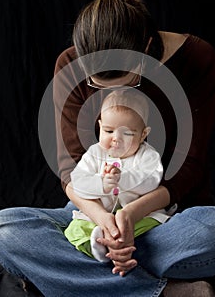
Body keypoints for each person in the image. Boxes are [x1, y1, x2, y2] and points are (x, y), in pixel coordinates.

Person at [0, 0, 215, 297]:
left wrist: (129, 216)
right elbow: (71, 169)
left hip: (164, 217)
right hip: (93, 213)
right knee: (5, 229)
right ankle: (161, 291)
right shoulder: (70, 66)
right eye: (98, 85)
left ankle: (73, 274)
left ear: (146, 47)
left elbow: (187, 167)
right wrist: (106, 222)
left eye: (128, 81)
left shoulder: (197, 59)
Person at [64, 89, 167, 263]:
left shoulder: (148, 156)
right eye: (109, 131)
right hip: (97, 216)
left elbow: (151, 180)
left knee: (155, 228)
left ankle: (115, 248)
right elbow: (78, 181)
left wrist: (122, 178)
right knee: (75, 230)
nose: (116, 139)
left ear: (143, 134)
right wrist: (101, 184)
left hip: (138, 217)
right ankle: (100, 248)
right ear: (100, 126)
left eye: (127, 133)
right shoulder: (94, 153)